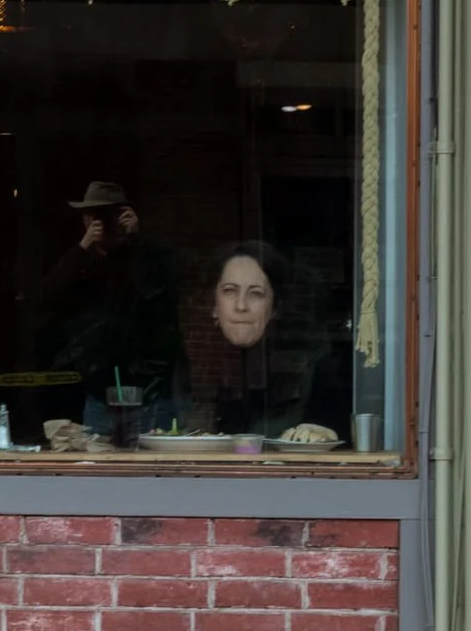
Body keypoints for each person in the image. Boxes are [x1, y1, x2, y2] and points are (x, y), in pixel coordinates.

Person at [40, 181, 187, 435]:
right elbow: (49, 296)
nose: (103, 223)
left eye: (110, 215)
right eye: (95, 216)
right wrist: (82, 248)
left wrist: (134, 240)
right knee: (97, 453)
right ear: (86, 220)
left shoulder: (145, 258)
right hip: (97, 390)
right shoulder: (82, 262)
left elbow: (160, 298)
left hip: (146, 390)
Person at [204, 241, 347, 439]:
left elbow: (336, 426)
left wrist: (324, 432)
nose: (241, 305)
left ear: (275, 308)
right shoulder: (192, 373)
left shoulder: (312, 368)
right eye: (230, 291)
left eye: (256, 294)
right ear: (214, 304)